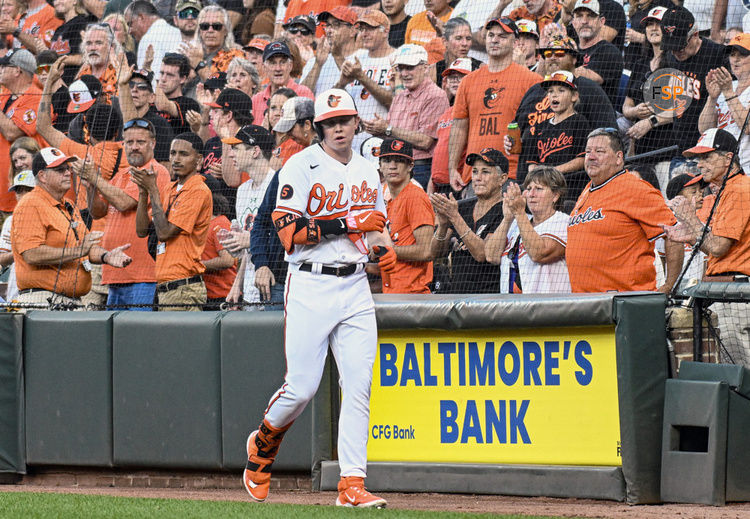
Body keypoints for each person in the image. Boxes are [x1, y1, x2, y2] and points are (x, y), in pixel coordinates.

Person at [242, 88, 393, 508]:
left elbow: (376, 226)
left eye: (345, 120)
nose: (339, 127)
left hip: (356, 285)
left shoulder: (367, 170)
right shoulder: (300, 165)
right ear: (319, 128)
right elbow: (289, 233)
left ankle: (352, 485)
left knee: (359, 387)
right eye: (330, 122)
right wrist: (348, 222)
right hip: (310, 284)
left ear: (356, 122)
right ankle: (264, 444)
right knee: (302, 387)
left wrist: (381, 244)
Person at [662, 128, 750, 367]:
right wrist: (691, 238)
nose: (699, 164)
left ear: (729, 158)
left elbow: (719, 248)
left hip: (737, 293)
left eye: (707, 157)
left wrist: (690, 217)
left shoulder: (740, 189)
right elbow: (716, 247)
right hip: (727, 290)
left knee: (741, 375)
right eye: (698, 158)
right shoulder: (726, 190)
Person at [11, 147, 131, 308]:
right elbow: (32, 254)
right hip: (43, 300)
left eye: (68, 168)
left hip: (70, 301)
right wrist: (79, 251)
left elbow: (86, 247)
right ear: (42, 176)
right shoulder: (30, 203)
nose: (68, 173)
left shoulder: (68, 205)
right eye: (60, 170)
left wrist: (106, 256)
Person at [566, 128, 683, 293]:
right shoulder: (587, 190)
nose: (591, 157)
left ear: (619, 157)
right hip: (585, 304)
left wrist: (670, 285)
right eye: (587, 152)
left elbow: (675, 234)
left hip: (623, 303)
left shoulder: (634, 188)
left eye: (599, 151)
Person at [80, 118, 172, 310]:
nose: (134, 147)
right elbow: (98, 212)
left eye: (140, 142)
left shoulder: (155, 171)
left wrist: (95, 177)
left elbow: (123, 203)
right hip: (117, 273)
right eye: (129, 142)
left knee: (138, 336)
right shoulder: (121, 175)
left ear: (153, 144)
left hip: (143, 275)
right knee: (118, 336)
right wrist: (90, 188)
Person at [449, 18, 542, 190]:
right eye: (491, 35)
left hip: (512, 175)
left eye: (502, 36)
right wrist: (453, 168)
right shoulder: (468, 81)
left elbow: (539, 130)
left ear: (515, 42)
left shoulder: (532, 80)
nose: (495, 39)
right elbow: (459, 127)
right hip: (473, 175)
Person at [514, 36, 617, 182]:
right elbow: (518, 127)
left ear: (574, 59)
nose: (553, 58)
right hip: (532, 181)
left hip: (574, 181)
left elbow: (607, 134)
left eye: (560, 53)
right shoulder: (534, 90)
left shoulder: (589, 88)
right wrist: (511, 139)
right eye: (548, 54)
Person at [133, 132, 212, 311]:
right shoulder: (170, 188)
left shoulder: (198, 189)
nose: (176, 159)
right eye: (173, 153)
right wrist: (143, 191)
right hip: (165, 288)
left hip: (184, 288)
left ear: (199, 160)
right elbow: (141, 231)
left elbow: (165, 233)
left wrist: (153, 189)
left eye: (183, 154)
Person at [363, 44, 449, 189]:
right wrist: (378, 129)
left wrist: (388, 129)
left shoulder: (436, 96)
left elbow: (425, 141)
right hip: (397, 167)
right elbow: (392, 133)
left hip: (421, 169)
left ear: (425, 67)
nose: (404, 73)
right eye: (401, 68)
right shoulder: (400, 96)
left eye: (409, 68)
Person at [429, 148, 506, 293]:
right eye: (475, 171)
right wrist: (443, 225)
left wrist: (454, 217)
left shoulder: (505, 210)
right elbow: (435, 254)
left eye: (485, 172)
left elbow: (482, 254)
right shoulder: (463, 208)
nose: (477, 178)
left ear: (502, 179)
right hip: (457, 298)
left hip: (488, 301)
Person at [486, 166, 571, 293]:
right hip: (510, 307)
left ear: (555, 196)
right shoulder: (517, 222)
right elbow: (491, 256)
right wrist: (507, 219)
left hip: (548, 307)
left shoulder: (563, 221)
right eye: (529, 189)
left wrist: (519, 213)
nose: (531, 194)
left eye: (539, 189)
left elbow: (539, 254)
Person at [661, 6, 728, 160]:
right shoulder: (671, 57)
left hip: (709, 148)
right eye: (671, 47)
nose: (676, 52)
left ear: (695, 35)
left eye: (680, 46)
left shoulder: (719, 55)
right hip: (681, 147)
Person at [515, 70, 590, 205]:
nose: (554, 94)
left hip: (570, 189)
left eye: (561, 90)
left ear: (574, 96)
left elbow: (582, 159)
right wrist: (543, 175)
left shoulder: (580, 121)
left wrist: (551, 172)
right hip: (543, 192)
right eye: (550, 91)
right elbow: (531, 164)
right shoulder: (539, 127)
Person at [221, 125, 275, 309]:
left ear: (255, 151)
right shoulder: (242, 190)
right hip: (250, 290)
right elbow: (246, 251)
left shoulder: (277, 185)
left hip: (274, 286)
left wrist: (249, 239)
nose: (230, 154)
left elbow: (285, 238)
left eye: (236, 148)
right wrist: (237, 286)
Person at [623, 6, 673, 180]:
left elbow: (684, 106)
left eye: (658, 24)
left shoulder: (677, 62)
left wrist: (651, 121)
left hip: (667, 151)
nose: (653, 28)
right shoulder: (639, 64)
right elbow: (626, 106)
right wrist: (635, 111)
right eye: (649, 24)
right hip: (640, 152)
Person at [379, 137, 434, 293]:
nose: (393, 166)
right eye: (387, 160)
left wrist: (387, 250)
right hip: (394, 293)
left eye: (399, 161)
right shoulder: (384, 199)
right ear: (380, 166)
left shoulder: (415, 197)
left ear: (410, 166)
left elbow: (426, 251)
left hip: (414, 296)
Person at [337, 9, 395, 155]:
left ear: (385, 31)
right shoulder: (355, 58)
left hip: (383, 141)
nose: (364, 33)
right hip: (352, 142)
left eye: (370, 28)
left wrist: (362, 77)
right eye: (362, 29)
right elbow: (336, 99)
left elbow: (394, 102)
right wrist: (342, 84)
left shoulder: (397, 59)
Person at [697, 33, 750, 172]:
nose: (736, 60)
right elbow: (704, 130)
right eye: (732, 54)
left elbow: (748, 127)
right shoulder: (727, 85)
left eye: (742, 55)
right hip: (723, 169)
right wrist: (712, 98)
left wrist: (728, 92)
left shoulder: (727, 88)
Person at [116, 67, 175, 165]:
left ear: (152, 97)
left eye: (142, 87)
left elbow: (165, 164)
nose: (134, 90)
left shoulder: (160, 124)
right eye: (131, 85)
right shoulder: (118, 121)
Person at [571, 0, 623, 108]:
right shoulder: (571, 50)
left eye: (590, 16)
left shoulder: (609, 51)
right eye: (579, 16)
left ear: (602, 21)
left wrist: (559, 61)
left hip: (597, 118)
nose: (584, 21)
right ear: (573, 22)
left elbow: (590, 80)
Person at [431, 57, 471, 195]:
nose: (455, 81)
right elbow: (438, 151)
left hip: (458, 184)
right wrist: (432, 181)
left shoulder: (473, 110)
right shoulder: (445, 113)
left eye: (461, 77)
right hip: (439, 185)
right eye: (452, 77)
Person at [251, 41, 314, 125]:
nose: (278, 68)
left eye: (282, 62)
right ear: (264, 68)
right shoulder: (256, 100)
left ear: (290, 66)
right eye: (273, 63)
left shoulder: (303, 93)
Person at [300, 6, 358, 95]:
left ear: (353, 30)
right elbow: (301, 96)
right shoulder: (316, 61)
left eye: (336, 25)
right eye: (327, 25)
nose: (329, 30)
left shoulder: (363, 60)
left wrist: (338, 57)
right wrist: (318, 64)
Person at [0, 170, 37, 302]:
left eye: (27, 189)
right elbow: (1, 259)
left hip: (42, 289)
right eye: (18, 191)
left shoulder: (51, 215)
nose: (22, 195)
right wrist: (19, 250)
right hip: (17, 291)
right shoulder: (11, 221)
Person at [183, 4, 245, 82]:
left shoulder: (236, 56)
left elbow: (222, 89)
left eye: (216, 26)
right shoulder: (191, 54)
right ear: (199, 31)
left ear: (226, 30)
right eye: (205, 26)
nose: (210, 30)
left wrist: (199, 65)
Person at [124, 0, 182, 83]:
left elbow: (152, 83)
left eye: (130, 24)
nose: (129, 31)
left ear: (141, 17)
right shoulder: (177, 32)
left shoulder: (148, 39)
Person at [201, 191, 237, 309]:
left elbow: (227, 260)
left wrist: (197, 266)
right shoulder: (206, 226)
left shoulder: (220, 223)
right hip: (210, 295)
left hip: (223, 296)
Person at [48, 0, 96, 84]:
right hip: (58, 84)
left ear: (74, 1)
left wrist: (55, 59)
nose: (58, 2)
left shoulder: (82, 23)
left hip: (76, 81)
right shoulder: (58, 30)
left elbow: (82, 58)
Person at [154, 52, 202, 136]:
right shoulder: (150, 100)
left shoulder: (189, 104)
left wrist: (151, 75)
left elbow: (162, 105)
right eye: (162, 73)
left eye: (170, 75)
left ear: (182, 79)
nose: (163, 79)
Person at [432, 17, 483, 88]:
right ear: (445, 41)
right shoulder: (433, 71)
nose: (464, 43)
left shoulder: (481, 69)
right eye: (458, 38)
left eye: (468, 38)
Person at [271, 95, 315, 168]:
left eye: (290, 128)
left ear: (307, 125)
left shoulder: (330, 147)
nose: (288, 134)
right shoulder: (289, 145)